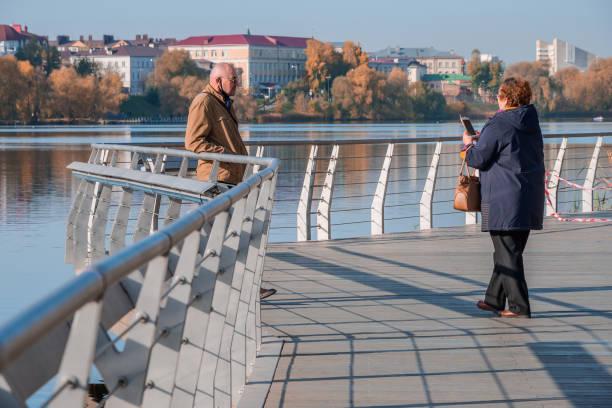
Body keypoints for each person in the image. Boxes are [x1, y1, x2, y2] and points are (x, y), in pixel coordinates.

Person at [185, 62, 277, 300]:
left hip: (231, 180)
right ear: (218, 81)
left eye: (237, 79)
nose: (237, 84)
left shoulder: (222, 103)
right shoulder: (204, 102)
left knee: (233, 236)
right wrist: (224, 154)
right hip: (216, 182)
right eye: (233, 80)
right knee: (230, 237)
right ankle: (238, 290)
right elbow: (193, 142)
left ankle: (236, 289)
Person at [461, 77, 545, 318]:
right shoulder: (529, 120)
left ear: (506, 99)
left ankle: (519, 307)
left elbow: (479, 159)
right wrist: (483, 140)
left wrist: (468, 146)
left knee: (507, 251)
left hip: (502, 196)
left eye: (498, 96)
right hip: (528, 196)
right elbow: (508, 149)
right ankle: (494, 299)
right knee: (508, 250)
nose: (496, 101)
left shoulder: (499, 122)